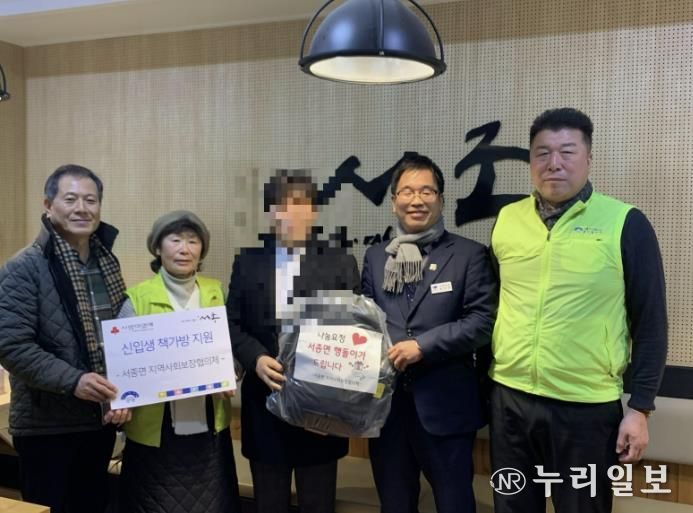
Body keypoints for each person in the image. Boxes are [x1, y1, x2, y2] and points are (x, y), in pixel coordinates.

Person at [489, 108, 668, 513]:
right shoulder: (507, 220)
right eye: (542, 153)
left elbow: (651, 324)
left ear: (588, 158)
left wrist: (640, 408)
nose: (554, 163)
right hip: (510, 399)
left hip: (586, 406)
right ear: (530, 160)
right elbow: (495, 303)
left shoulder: (625, 223)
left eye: (567, 152)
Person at [361, 153, 497, 513]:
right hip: (386, 411)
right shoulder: (376, 257)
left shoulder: (469, 255)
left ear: (440, 199)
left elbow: (482, 322)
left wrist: (423, 345)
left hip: (445, 408)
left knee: (454, 504)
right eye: (407, 192)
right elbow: (367, 321)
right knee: (394, 504)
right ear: (394, 202)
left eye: (426, 191)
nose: (417, 200)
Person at [226, 169, 360, 513]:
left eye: (301, 204)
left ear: (313, 211)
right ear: (270, 212)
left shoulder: (340, 262)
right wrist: (256, 358)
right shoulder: (248, 262)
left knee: (318, 502)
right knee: (269, 502)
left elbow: (356, 328)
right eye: (282, 205)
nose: (292, 213)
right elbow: (232, 322)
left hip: (320, 406)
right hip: (265, 400)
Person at [0, 164, 130, 513]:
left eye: (91, 200)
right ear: (48, 205)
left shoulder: (107, 263)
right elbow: (11, 345)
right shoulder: (24, 267)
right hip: (46, 427)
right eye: (70, 199)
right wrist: (74, 381)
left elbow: (120, 335)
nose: (82, 208)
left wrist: (127, 390)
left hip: (98, 420)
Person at [117, 210, 241, 513]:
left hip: (209, 430)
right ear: (158, 248)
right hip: (155, 433)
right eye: (175, 240)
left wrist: (232, 372)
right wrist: (121, 396)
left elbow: (234, 346)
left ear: (202, 250)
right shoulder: (137, 298)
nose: (184, 249)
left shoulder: (217, 292)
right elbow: (121, 365)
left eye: (193, 241)